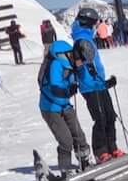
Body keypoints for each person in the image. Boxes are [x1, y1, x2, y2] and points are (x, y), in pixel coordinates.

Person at [71, 9, 122, 163]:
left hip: (98, 84)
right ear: (87, 23)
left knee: (110, 115)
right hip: (90, 86)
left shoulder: (86, 38)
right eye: (93, 23)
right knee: (100, 118)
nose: (95, 26)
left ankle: (112, 147)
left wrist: (104, 82)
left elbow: (92, 63)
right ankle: (101, 151)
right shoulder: (81, 39)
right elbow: (78, 64)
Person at [38, 35, 91, 172]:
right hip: (50, 108)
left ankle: (84, 163)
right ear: (76, 55)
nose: (82, 64)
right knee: (66, 140)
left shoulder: (72, 63)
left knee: (79, 135)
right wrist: (67, 91)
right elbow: (55, 86)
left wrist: (104, 84)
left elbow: (85, 80)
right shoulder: (57, 63)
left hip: (65, 104)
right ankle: (65, 169)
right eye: (82, 61)